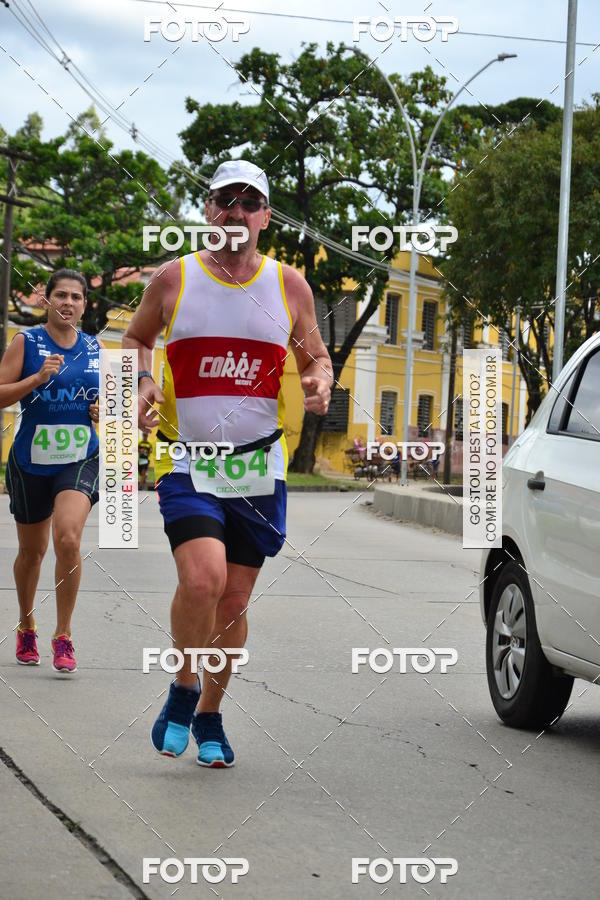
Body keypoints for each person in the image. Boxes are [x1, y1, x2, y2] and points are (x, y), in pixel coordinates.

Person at [123, 159, 332, 767]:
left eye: (249, 203)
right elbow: (139, 338)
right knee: (202, 579)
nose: (236, 213)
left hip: (257, 466)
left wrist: (319, 382)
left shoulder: (288, 286)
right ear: (207, 209)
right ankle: (183, 689)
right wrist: (141, 381)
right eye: (224, 201)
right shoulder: (173, 278)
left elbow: (315, 357)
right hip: (188, 458)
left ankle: (211, 716)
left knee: (234, 603)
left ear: (266, 216)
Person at [0, 269, 101, 673]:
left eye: (76, 297)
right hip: (30, 462)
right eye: (61, 295)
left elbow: (112, 403)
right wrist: (36, 378)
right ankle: (27, 623)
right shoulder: (26, 341)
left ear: (84, 305)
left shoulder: (95, 347)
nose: (68, 303)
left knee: (69, 538)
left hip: (79, 458)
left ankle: (63, 635)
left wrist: (102, 410)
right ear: (46, 300)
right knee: (32, 551)